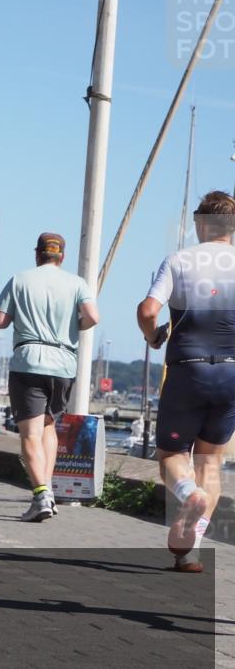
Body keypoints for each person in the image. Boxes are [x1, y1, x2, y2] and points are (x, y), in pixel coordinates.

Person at [136, 190, 235, 572]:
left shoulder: (178, 261)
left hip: (187, 370)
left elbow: (148, 310)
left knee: (173, 458)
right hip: (230, 373)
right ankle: (189, 551)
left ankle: (187, 494)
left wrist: (152, 334)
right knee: (211, 463)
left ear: (199, 224)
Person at [0, 232, 99, 522]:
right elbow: (93, 316)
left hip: (29, 362)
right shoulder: (77, 284)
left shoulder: (20, 279)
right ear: (61, 256)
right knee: (50, 426)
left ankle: (41, 493)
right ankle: (48, 491)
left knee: (30, 433)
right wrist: (74, 325)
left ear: (37, 254)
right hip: (63, 365)